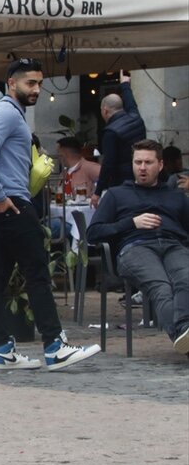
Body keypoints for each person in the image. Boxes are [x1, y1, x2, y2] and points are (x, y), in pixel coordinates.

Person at [0, 58, 100, 371]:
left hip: (3, 202)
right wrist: (1, 196)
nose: (37, 89)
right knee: (37, 273)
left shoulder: (9, 113)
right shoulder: (6, 111)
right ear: (11, 83)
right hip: (11, 203)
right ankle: (54, 345)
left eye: (39, 83)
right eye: (30, 83)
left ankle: (1, 349)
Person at [86, 139, 189, 355]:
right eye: (138, 162)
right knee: (161, 287)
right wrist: (131, 222)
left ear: (160, 165)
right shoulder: (116, 195)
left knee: (186, 279)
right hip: (135, 247)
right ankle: (182, 333)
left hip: (172, 245)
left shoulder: (176, 197)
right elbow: (93, 233)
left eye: (148, 162)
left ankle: (184, 335)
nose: (142, 168)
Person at [92, 70, 145, 207]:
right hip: (140, 178)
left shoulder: (111, 132)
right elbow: (131, 102)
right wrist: (125, 84)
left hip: (122, 182)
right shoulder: (136, 118)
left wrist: (97, 192)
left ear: (105, 111)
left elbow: (108, 163)